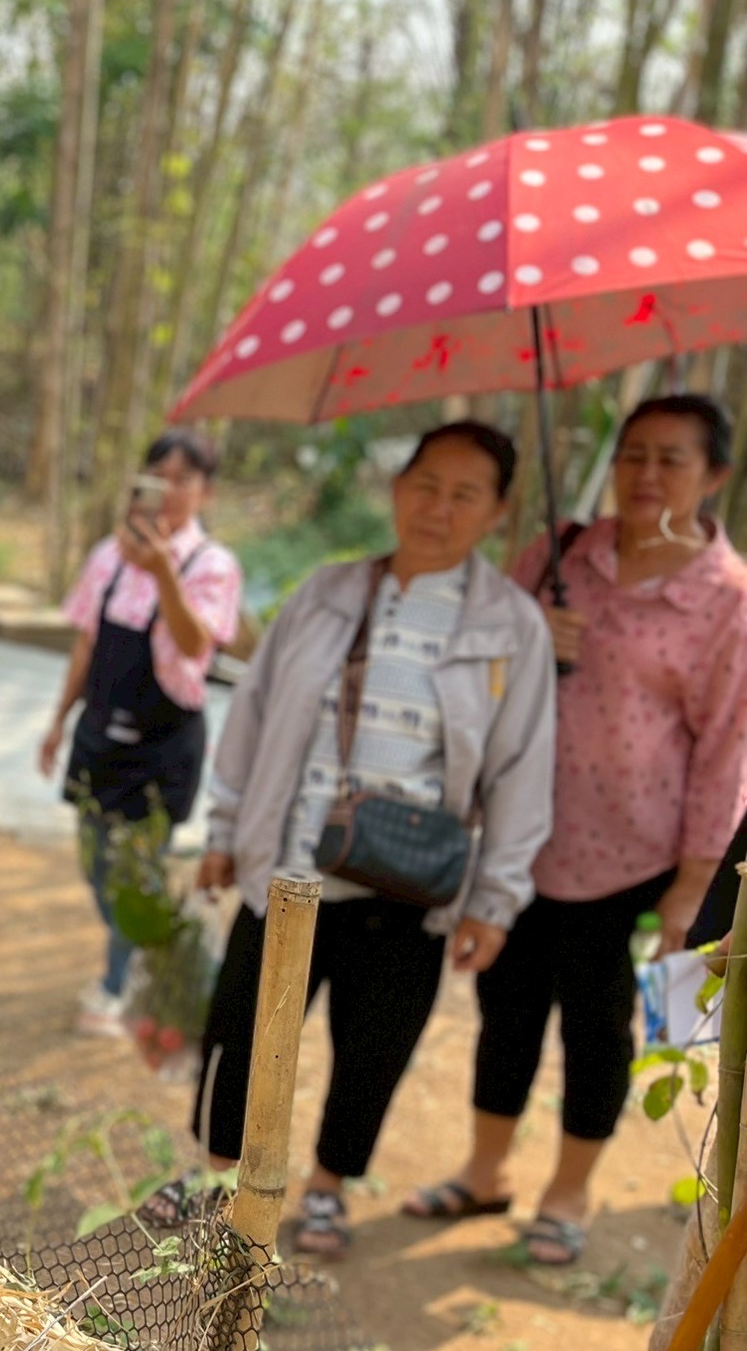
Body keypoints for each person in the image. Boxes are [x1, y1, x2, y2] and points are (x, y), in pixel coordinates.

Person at [189, 421, 556, 1257]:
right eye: (425, 483)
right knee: (240, 1028)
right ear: (397, 489)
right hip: (285, 867)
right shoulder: (326, 593)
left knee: (374, 1044)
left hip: (408, 884)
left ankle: (326, 1190)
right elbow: (251, 715)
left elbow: (520, 770)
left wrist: (496, 900)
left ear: (498, 512)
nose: (439, 507)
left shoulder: (512, 626)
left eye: (466, 494)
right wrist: (223, 827)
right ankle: (216, 1180)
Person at [412, 396, 747, 1265]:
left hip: (635, 858)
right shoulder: (560, 555)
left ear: (714, 476)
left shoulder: (727, 600)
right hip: (523, 839)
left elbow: (726, 749)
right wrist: (528, 637)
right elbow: (471, 654)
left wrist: (692, 881)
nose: (644, 476)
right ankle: (485, 1173)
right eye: (633, 454)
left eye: (671, 460)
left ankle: (569, 1194)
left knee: (597, 1027)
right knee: (506, 1010)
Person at [38, 429, 242, 1034]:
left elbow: (195, 642)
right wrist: (58, 721)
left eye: (185, 479)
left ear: (207, 492)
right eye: (160, 476)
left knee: (134, 870)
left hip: (161, 746)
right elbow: (87, 643)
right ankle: (162, 946)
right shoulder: (108, 556)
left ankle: (118, 985)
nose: (170, 492)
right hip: (100, 733)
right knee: (94, 862)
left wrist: (163, 575)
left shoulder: (213, 567)